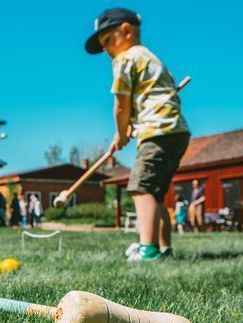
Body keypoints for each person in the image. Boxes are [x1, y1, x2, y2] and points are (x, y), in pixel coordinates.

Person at [85, 8, 190, 261]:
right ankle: (164, 248)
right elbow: (147, 100)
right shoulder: (152, 60)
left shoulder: (124, 59)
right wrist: (132, 122)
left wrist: (121, 133)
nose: (108, 50)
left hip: (157, 132)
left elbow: (121, 106)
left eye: (108, 41)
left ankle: (148, 250)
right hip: (176, 132)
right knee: (155, 193)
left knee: (140, 187)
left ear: (126, 31)